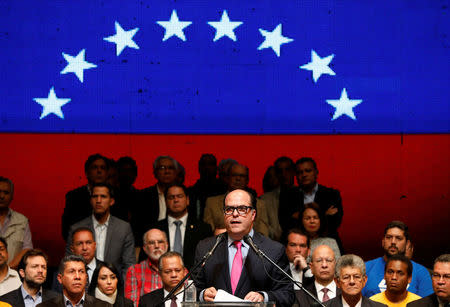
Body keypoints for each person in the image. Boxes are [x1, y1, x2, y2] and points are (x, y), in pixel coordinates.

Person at [195, 189, 294, 307]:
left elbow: (287, 294)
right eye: (229, 209)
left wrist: (263, 297)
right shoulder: (206, 248)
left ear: (253, 214)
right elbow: (193, 288)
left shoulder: (273, 250)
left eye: (242, 209)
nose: (235, 214)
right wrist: (202, 294)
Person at [66, 183, 135, 279]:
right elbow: (68, 263)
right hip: (84, 284)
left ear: (111, 201)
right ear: (90, 200)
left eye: (103, 197)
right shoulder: (76, 228)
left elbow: (129, 265)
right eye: (95, 196)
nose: (98, 201)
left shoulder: (124, 228)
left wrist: (120, 290)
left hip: (114, 287)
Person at [278, 157, 343, 249]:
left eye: (308, 171)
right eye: (300, 172)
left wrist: (299, 216)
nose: (304, 175)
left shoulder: (331, 194)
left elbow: (335, 222)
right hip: (296, 244)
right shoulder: (288, 196)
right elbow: (285, 223)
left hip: (326, 243)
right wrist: (323, 214)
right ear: (296, 175)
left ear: (316, 173)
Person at [363, 221, 433, 298]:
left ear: (407, 243)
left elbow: (427, 304)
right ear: (383, 241)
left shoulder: (421, 272)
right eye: (389, 237)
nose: (393, 242)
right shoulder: (366, 268)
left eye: (398, 238)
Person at [154, 184, 212, 270]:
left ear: (187, 200)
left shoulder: (203, 228)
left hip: (194, 277)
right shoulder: (155, 229)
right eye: (171, 197)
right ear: (165, 201)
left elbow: (208, 259)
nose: (176, 200)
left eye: (179, 196)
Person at [203, 163, 270, 237]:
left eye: (242, 176)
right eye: (234, 175)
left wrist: (234, 233)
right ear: (227, 178)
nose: (238, 179)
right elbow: (207, 233)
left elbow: (263, 234)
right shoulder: (212, 203)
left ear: (247, 180)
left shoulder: (260, 204)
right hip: (220, 246)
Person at [62, 154, 110, 241]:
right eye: (95, 167)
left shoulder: (115, 195)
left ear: (107, 173)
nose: (99, 171)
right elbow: (66, 230)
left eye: (102, 168)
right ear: (87, 172)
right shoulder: (74, 196)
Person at [37, 255, 111, 307]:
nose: (77, 277)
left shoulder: (104, 306)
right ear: (60, 278)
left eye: (81, 271)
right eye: (71, 271)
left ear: (86, 278)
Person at [125, 229, 168, 306]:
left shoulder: (179, 271)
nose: (157, 246)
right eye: (151, 243)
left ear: (167, 245)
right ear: (144, 248)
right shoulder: (134, 271)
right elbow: (132, 304)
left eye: (160, 242)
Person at [0, 177, 33, 269]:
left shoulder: (22, 221)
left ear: (12, 196)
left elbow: (27, 248)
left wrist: (7, 270)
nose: (2, 196)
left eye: (6, 193)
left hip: (14, 275)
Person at [260, 156, 296, 240]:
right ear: (276, 174)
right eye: (280, 171)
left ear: (294, 171)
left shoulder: (303, 195)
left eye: (287, 170)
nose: (284, 174)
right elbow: (263, 227)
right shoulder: (265, 200)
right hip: (275, 245)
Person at [187, 154, 225, 221]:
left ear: (216, 168)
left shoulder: (224, 189)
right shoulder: (191, 192)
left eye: (210, 164)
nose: (207, 167)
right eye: (204, 164)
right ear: (199, 168)